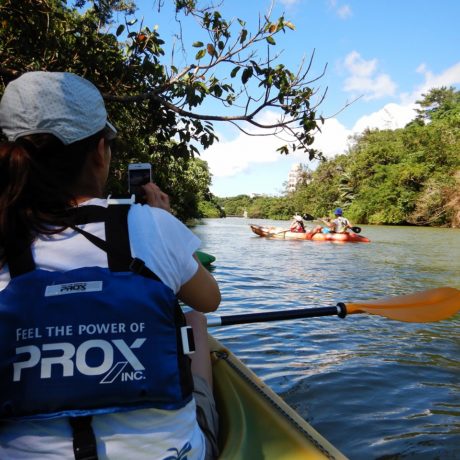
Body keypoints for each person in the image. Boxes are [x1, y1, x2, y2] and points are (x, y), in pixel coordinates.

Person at [0, 71, 221, 459]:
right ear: (100, 151)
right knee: (195, 320)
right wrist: (161, 219)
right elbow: (209, 299)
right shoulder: (151, 224)